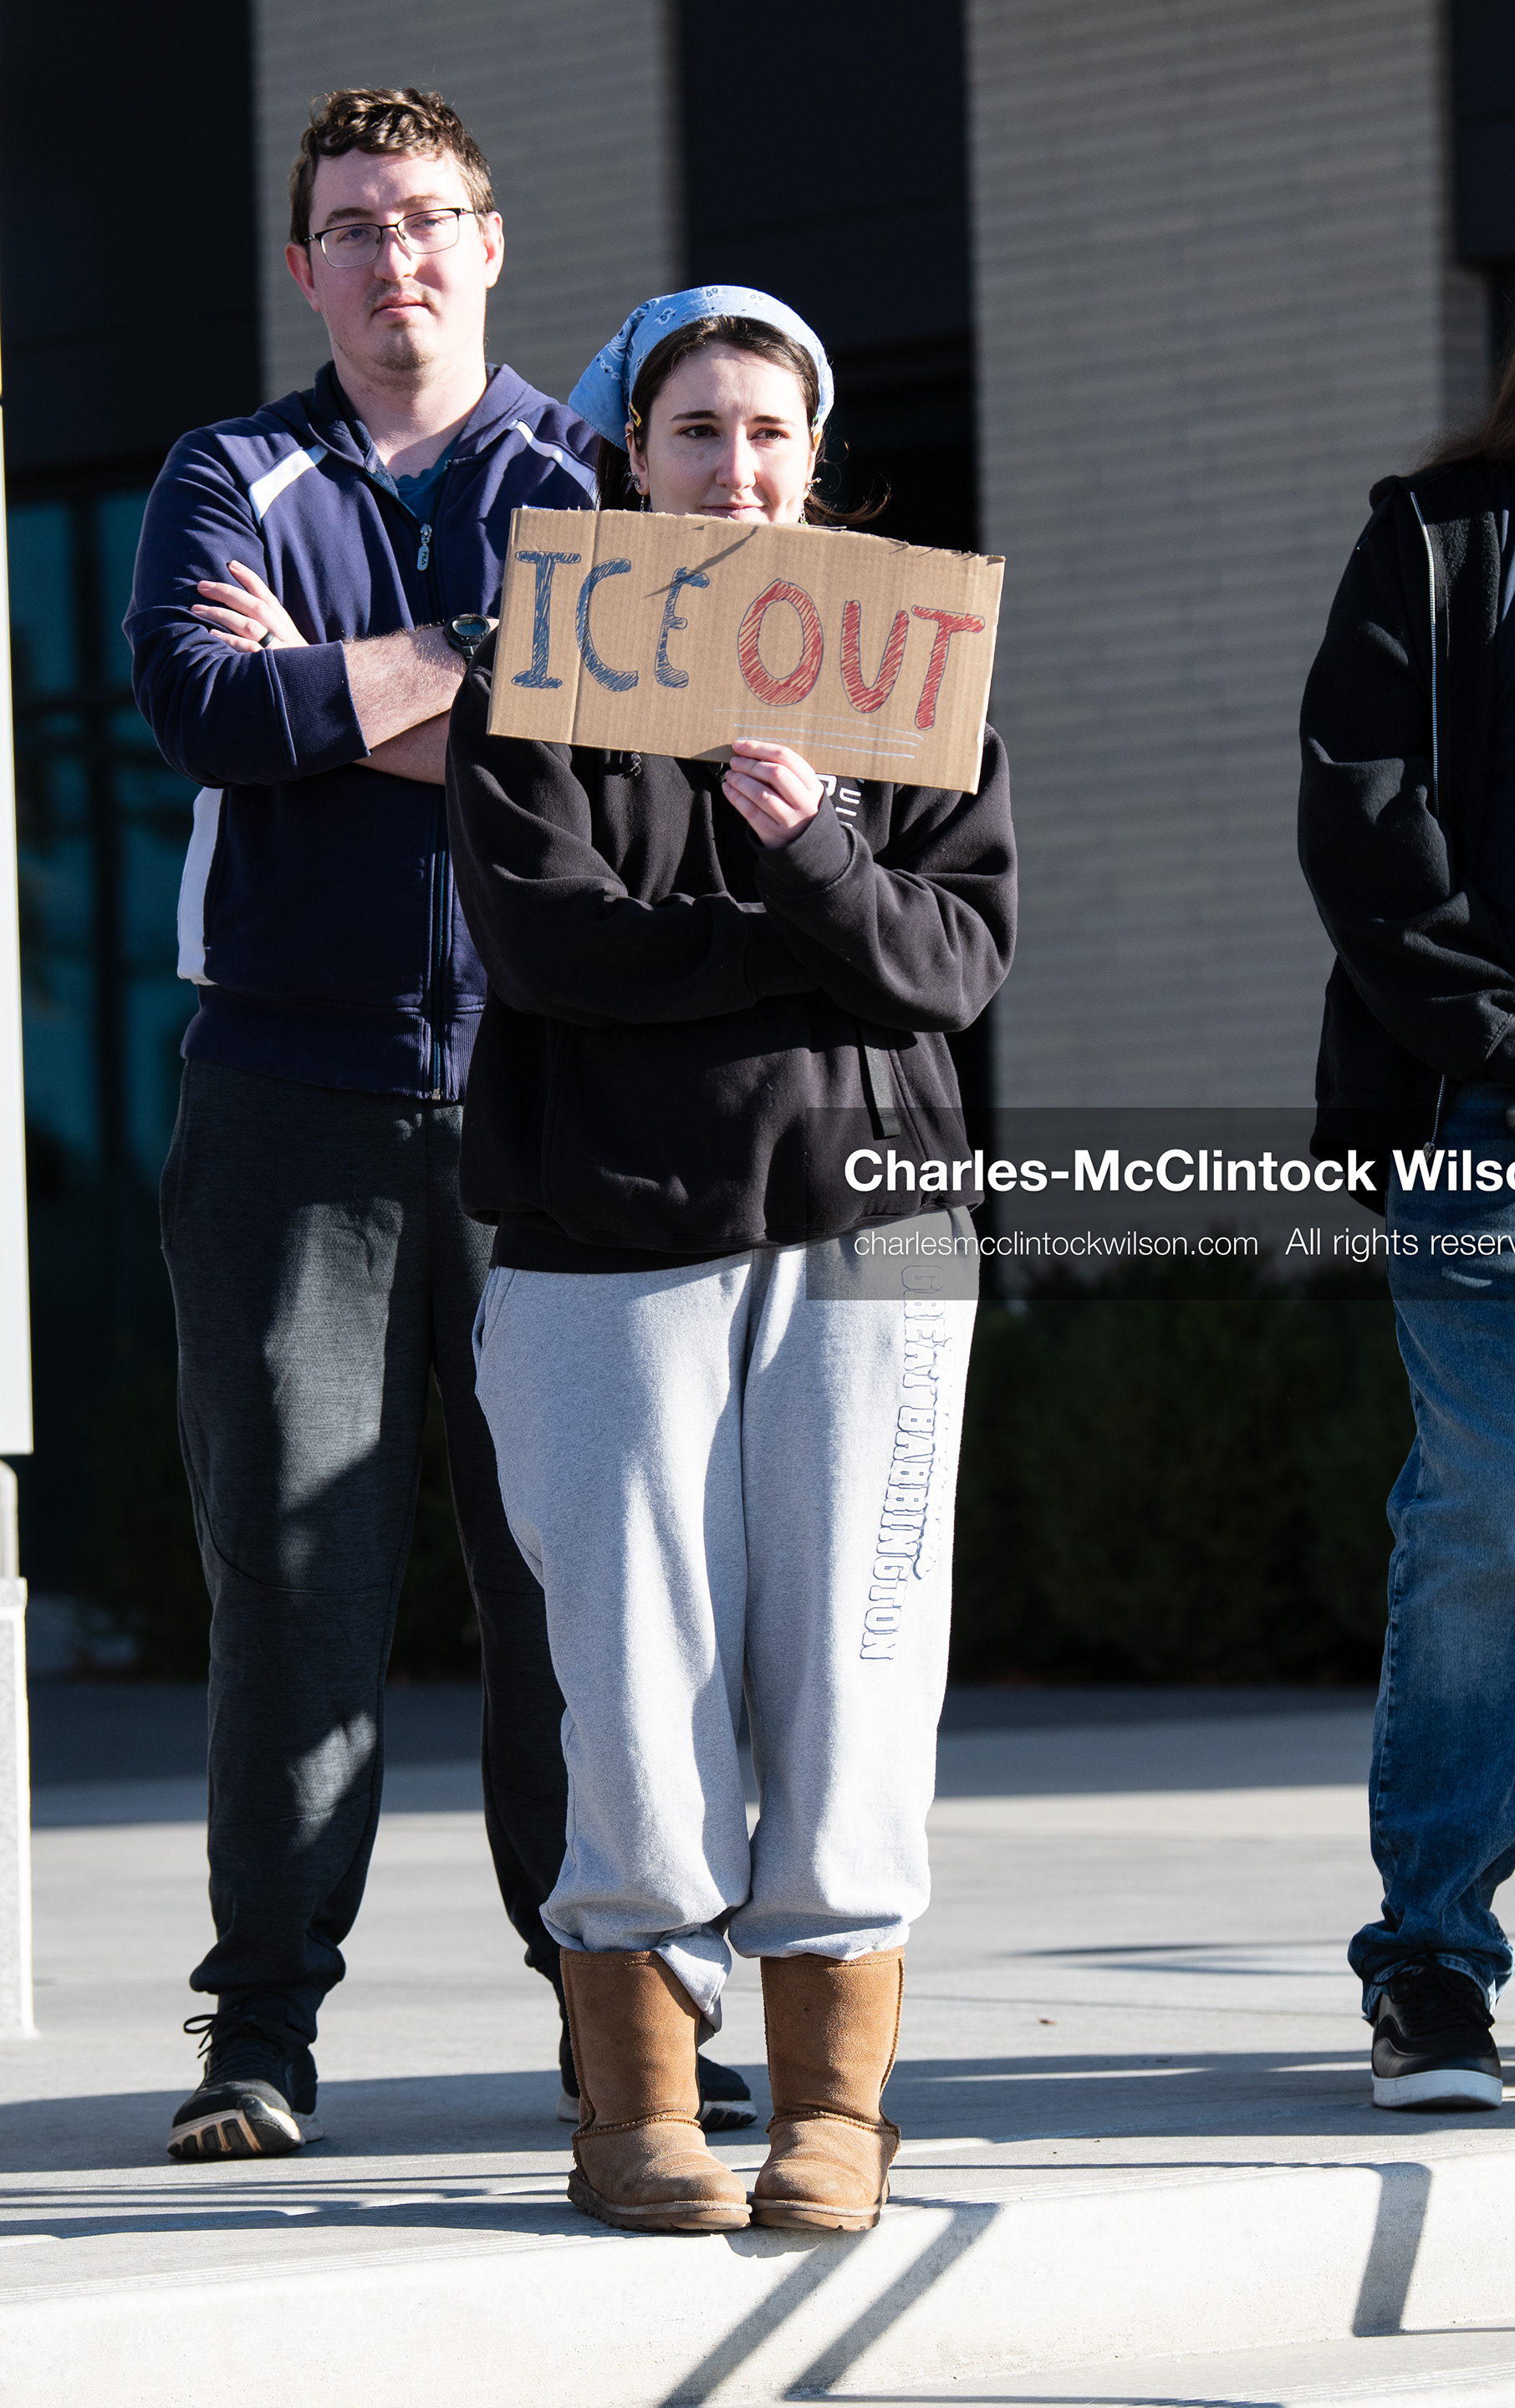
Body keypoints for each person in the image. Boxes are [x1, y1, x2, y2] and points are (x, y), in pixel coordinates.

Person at [126, 93, 751, 2160]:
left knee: (569, 1579)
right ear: (304, 266)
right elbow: (211, 716)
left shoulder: (590, 473)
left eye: (426, 221)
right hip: (284, 1099)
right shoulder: (230, 470)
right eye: (350, 227)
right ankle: (264, 2036)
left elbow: (627, 750)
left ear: (490, 247)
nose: (393, 256)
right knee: (291, 1584)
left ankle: (615, 2021)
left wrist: (359, 686)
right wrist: (485, 673)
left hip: (542, 1096)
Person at [447, 284, 1017, 2234]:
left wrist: (825, 861)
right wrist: (807, 935)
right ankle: (642, 2097)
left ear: (814, 460)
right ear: (633, 456)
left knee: (862, 1672)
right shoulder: (548, 666)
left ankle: (837, 2109)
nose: (737, 468)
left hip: (873, 1245)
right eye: (698, 432)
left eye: (770, 435)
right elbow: (552, 950)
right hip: (606, 1252)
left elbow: (957, 962)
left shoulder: (908, 677)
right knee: (634, 1677)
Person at [1299, 148, 1515, 2113]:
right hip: (1497, 1129)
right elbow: (1367, 828)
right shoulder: (1443, 535)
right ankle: (1434, 1966)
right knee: (1497, 1527)